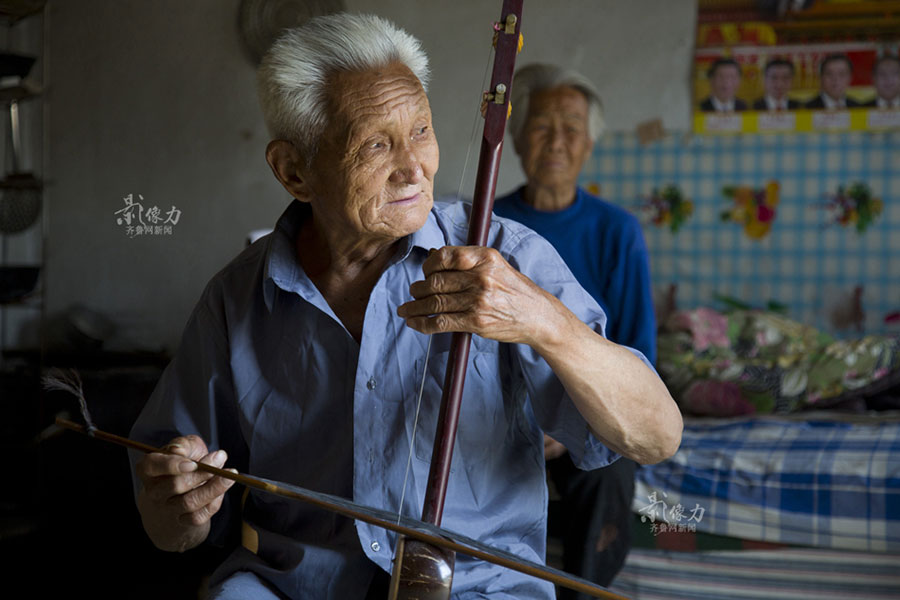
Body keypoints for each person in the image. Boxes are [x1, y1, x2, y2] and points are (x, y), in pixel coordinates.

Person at [128, 13, 682, 600]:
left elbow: (657, 436)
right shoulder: (237, 297)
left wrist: (543, 321)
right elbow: (169, 532)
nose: (414, 166)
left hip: (476, 589)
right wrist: (181, 507)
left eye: (421, 130)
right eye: (375, 144)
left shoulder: (501, 254)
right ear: (294, 171)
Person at [492, 64, 657, 597]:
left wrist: (568, 427)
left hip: (589, 411)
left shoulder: (617, 232)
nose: (557, 141)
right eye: (541, 125)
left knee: (606, 471)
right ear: (516, 137)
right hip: (497, 410)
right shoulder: (485, 224)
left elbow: (638, 353)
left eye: (571, 128)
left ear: (589, 144)